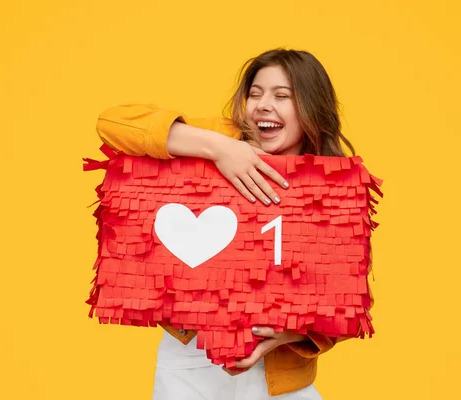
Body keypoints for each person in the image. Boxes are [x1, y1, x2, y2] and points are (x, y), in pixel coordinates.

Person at [95, 48, 368, 399]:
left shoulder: (333, 183)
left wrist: (291, 335)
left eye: (281, 96)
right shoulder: (222, 137)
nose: (263, 105)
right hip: (189, 367)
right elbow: (112, 123)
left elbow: (345, 301)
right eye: (255, 93)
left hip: (281, 380)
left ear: (311, 109)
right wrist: (219, 148)